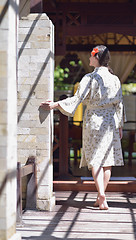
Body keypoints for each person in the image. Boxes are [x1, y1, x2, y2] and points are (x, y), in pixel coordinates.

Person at [40, 45, 126, 210]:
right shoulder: (114, 79)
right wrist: (120, 125)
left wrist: (55, 105)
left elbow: (77, 98)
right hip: (110, 122)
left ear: (97, 57)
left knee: (95, 159)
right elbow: (119, 103)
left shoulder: (90, 78)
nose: (89, 58)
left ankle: (101, 194)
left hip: (94, 120)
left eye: (91, 56)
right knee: (107, 161)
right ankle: (101, 196)